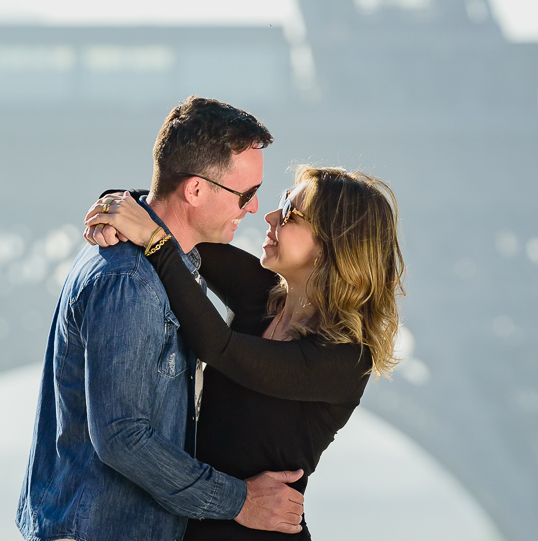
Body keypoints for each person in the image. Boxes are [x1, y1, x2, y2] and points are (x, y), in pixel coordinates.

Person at [17, 97, 306, 541]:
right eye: (246, 194)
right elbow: (122, 437)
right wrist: (241, 501)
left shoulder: (165, 263)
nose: (253, 209)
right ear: (195, 191)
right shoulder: (130, 282)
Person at [84, 165, 404, 540]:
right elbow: (178, 225)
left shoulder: (344, 359)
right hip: (196, 524)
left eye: (290, 213)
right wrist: (114, 207)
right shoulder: (264, 297)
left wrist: (153, 239)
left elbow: (219, 346)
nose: (269, 216)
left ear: (333, 244)